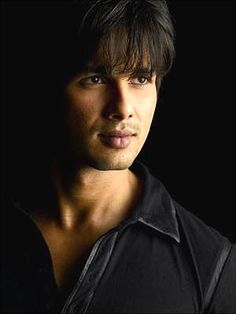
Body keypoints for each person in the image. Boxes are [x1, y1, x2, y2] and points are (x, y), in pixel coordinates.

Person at [1, 0, 235, 313]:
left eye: (140, 78)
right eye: (97, 78)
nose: (123, 107)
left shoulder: (212, 266)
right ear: (52, 84)